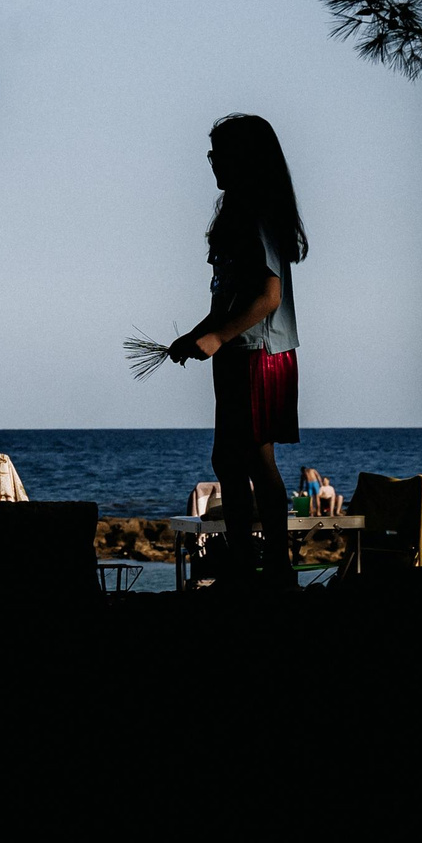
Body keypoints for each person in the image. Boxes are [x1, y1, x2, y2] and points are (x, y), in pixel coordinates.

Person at [168, 113, 307, 587]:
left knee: (255, 458)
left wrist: (219, 336)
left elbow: (269, 296)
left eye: (219, 155)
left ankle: (276, 571)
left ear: (243, 159)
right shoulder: (232, 215)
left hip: (259, 353)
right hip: (234, 351)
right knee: (228, 460)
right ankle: (247, 566)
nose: (212, 165)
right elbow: (226, 298)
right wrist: (198, 334)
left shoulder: (258, 214)